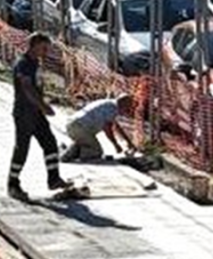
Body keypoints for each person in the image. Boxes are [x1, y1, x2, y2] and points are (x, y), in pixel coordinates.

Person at [8, 32, 72, 201]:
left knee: (50, 143)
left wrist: (43, 103)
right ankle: (13, 184)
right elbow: (27, 88)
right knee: (22, 148)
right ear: (34, 45)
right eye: (43, 48)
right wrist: (43, 106)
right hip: (24, 112)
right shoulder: (23, 64)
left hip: (36, 113)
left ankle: (54, 179)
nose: (46, 52)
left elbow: (36, 87)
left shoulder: (36, 62)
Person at [62, 94, 137, 162]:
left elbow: (116, 127)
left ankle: (67, 155)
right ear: (123, 103)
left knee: (86, 143)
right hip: (79, 127)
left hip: (73, 125)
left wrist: (129, 142)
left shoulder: (109, 104)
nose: (128, 109)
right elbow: (108, 129)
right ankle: (79, 156)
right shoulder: (112, 108)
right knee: (96, 152)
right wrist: (116, 145)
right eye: (128, 106)